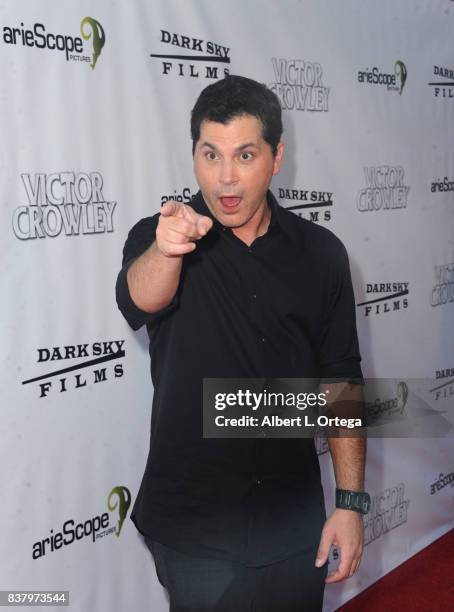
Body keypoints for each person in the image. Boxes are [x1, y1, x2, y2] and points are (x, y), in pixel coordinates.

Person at [115, 75, 370, 612]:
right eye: (211, 155)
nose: (226, 178)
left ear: (276, 158)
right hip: (195, 530)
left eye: (245, 155)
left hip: (294, 523)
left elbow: (341, 379)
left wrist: (349, 502)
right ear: (194, 157)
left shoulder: (322, 254)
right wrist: (166, 250)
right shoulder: (161, 239)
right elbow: (140, 298)